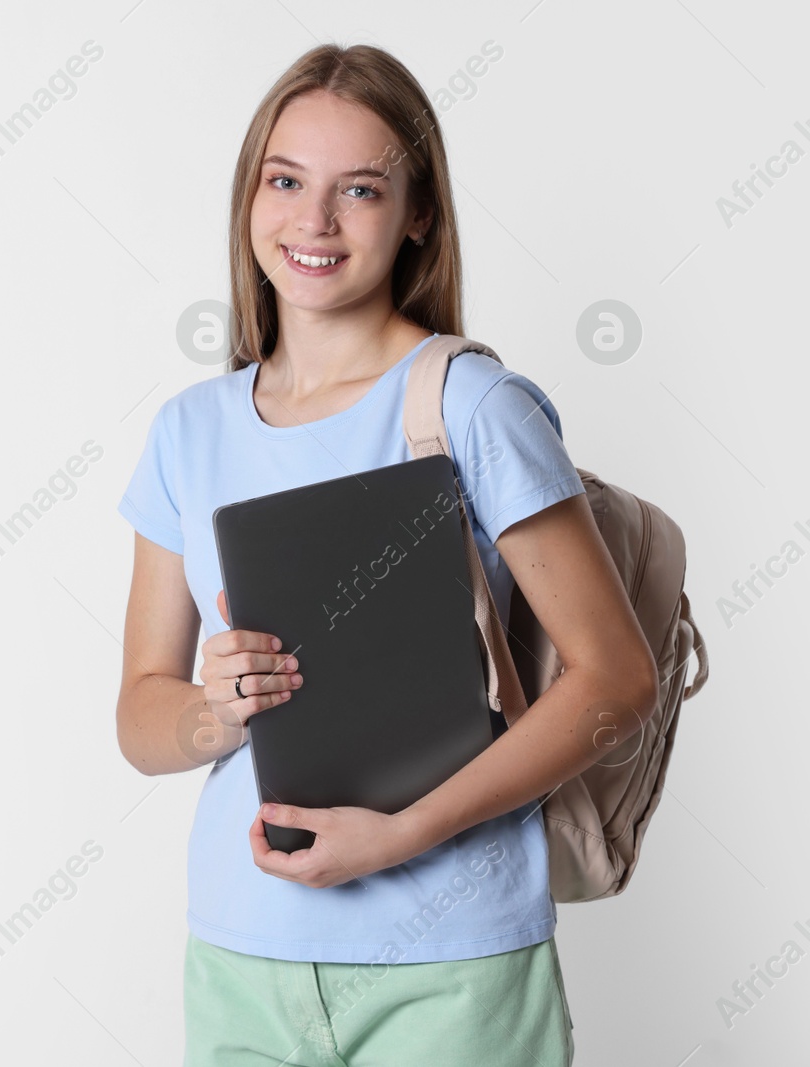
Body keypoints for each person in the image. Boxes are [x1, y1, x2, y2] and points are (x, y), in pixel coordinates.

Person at [113, 43, 657, 1067]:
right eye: (285, 181)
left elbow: (617, 679)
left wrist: (406, 835)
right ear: (249, 198)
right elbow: (139, 715)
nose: (312, 222)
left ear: (415, 215)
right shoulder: (187, 431)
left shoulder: (468, 403)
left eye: (358, 189)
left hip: (452, 958)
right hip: (242, 953)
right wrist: (207, 709)